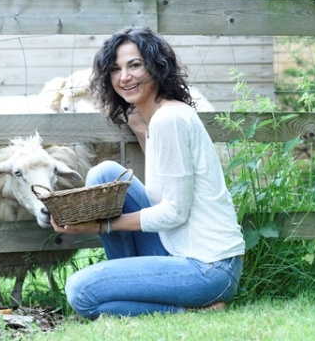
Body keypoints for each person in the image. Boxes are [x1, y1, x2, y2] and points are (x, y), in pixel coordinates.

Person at [50, 26, 245, 319]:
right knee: (105, 174)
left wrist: (100, 226)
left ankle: (191, 310)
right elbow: (161, 203)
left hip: (209, 267)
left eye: (135, 65)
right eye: (115, 69)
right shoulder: (156, 119)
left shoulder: (169, 120)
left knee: (81, 291)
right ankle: (131, 283)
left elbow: (174, 213)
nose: (124, 77)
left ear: (157, 66)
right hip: (177, 250)